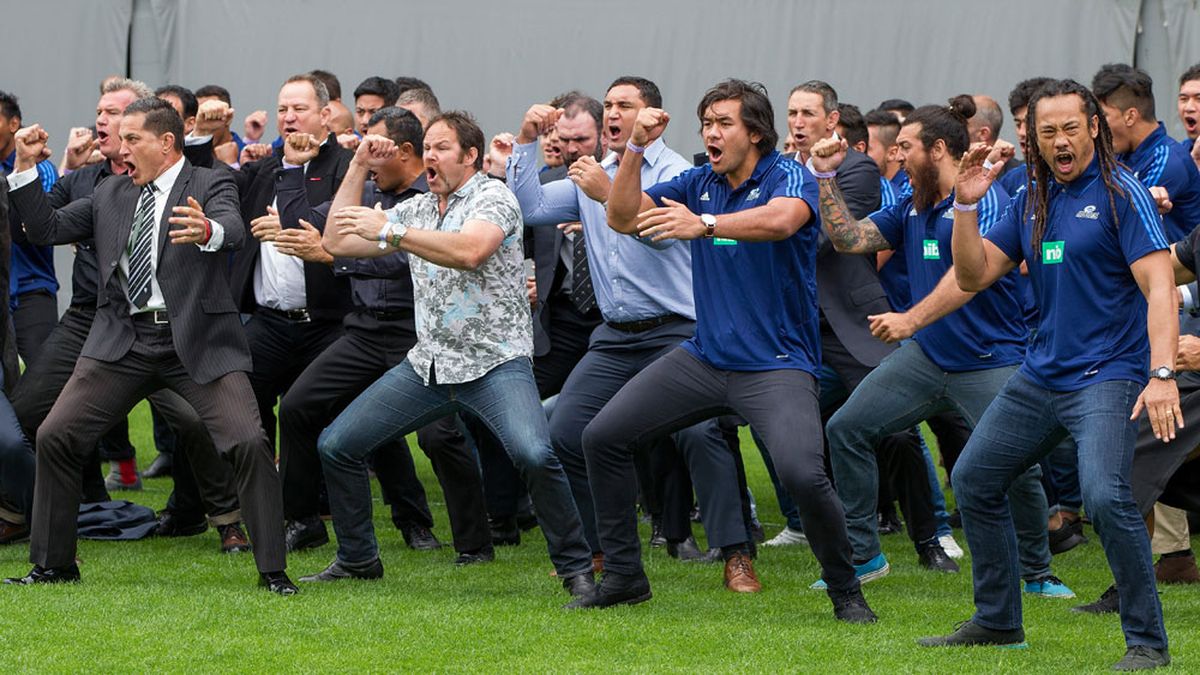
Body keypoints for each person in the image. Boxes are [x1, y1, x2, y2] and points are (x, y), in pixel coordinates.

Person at [577, 79, 875, 623]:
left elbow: (783, 220)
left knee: (803, 475)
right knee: (602, 437)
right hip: (706, 358)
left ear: (756, 132)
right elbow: (621, 217)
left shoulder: (787, 174)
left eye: (723, 124)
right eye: (706, 124)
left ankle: (846, 589)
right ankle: (624, 578)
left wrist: (706, 225)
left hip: (776, 365)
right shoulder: (700, 182)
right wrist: (635, 148)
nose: (710, 134)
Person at [921, 79, 1175, 672]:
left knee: (1105, 498)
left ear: (1094, 129)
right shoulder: (1030, 197)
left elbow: (1160, 285)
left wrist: (1161, 372)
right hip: (1041, 376)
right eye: (1047, 131)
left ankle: (1147, 643)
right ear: (1032, 139)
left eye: (1070, 129)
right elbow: (973, 274)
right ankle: (997, 621)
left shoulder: (1122, 193)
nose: (1060, 141)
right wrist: (966, 205)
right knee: (975, 477)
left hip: (1108, 375)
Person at [3, 98, 293, 593]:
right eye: (121, 139)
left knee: (248, 441)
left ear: (166, 142)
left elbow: (233, 229)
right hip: (124, 340)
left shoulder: (209, 183)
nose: (121, 148)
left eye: (132, 139)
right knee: (56, 434)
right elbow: (45, 229)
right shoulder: (110, 192)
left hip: (197, 340)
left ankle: (273, 571)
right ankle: (54, 565)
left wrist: (207, 229)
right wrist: (25, 168)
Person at [308, 111, 595, 601]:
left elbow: (470, 251)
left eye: (442, 147)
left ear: (471, 156)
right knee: (338, 445)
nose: (431, 155)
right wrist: (358, 166)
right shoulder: (419, 208)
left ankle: (577, 571)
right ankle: (357, 559)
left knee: (534, 453)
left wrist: (390, 231)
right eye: (428, 147)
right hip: (430, 366)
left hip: (496, 363)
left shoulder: (493, 197)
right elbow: (335, 240)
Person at [810, 97, 1069, 597]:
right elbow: (849, 239)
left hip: (990, 359)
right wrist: (824, 176)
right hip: (927, 358)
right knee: (846, 429)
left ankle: (1037, 573)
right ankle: (864, 557)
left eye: (906, 147)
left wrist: (911, 319)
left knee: (1018, 466)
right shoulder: (912, 203)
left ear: (939, 150)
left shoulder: (984, 201)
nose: (897, 156)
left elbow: (966, 280)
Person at [505, 78, 754, 585]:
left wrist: (608, 192)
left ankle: (735, 553)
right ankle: (600, 550)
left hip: (677, 330)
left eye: (625, 105)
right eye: (610, 105)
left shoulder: (679, 173)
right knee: (565, 433)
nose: (614, 113)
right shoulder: (595, 171)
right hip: (616, 336)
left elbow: (661, 235)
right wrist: (527, 142)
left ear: (652, 116)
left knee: (700, 432)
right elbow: (529, 209)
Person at [274, 107, 492, 566]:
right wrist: (294, 168)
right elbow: (305, 227)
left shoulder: (433, 198)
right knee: (297, 406)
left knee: (438, 436)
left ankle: (471, 542)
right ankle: (303, 519)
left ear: (405, 151)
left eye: (375, 146)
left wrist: (336, 257)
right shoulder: (364, 190)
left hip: (418, 332)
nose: (366, 155)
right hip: (364, 330)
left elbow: (406, 258)